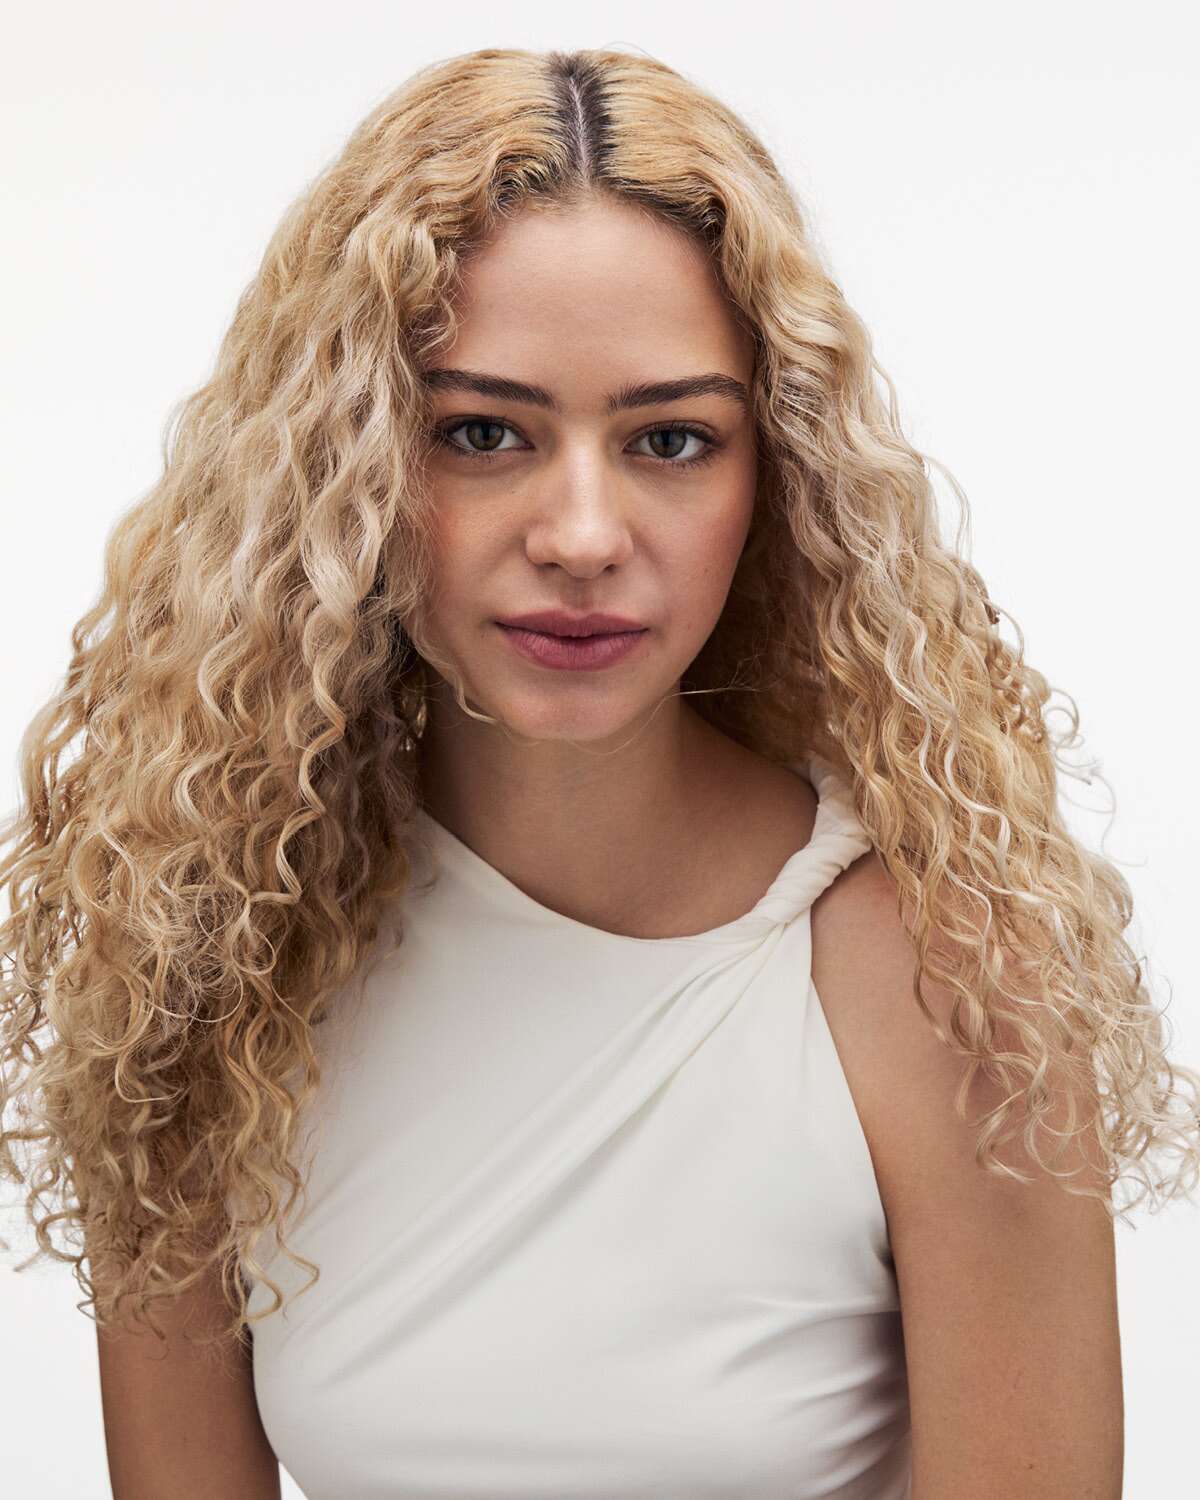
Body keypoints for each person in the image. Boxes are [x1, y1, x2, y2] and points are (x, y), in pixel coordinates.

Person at [1, 44, 1193, 1500]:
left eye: (672, 440)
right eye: (484, 433)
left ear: (776, 479)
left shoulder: (940, 978)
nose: (581, 532)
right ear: (351, 465)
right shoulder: (216, 968)